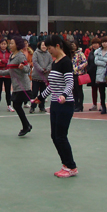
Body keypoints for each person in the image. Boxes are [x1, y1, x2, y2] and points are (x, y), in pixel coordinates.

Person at [34, 35, 77, 178]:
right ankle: (65, 164)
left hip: (65, 104)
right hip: (55, 104)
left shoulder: (66, 62)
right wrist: (41, 97)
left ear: (57, 46)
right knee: (54, 136)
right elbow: (52, 85)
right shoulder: (55, 62)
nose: (49, 51)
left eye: (50, 48)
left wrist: (64, 95)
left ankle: (71, 166)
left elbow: (70, 83)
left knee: (61, 136)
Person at [0, 36, 32, 136]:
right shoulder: (11, 55)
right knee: (16, 105)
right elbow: (10, 70)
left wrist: (22, 67)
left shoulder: (20, 56)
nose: (10, 45)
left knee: (16, 105)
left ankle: (26, 126)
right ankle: (27, 125)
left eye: (12, 43)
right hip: (16, 85)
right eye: (10, 43)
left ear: (17, 45)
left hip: (22, 85)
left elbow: (28, 69)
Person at [30, 40, 52, 114]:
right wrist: (41, 69)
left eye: (45, 45)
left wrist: (47, 69)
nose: (44, 47)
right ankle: (32, 107)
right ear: (40, 46)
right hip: (36, 77)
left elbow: (51, 63)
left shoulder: (48, 54)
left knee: (43, 93)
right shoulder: (36, 53)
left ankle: (42, 107)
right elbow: (35, 62)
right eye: (42, 45)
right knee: (34, 93)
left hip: (45, 77)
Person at [0, 38, 13, 112]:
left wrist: (2, 61)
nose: (3, 45)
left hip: (8, 74)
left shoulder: (10, 53)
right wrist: (4, 63)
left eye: (5, 44)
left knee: (8, 90)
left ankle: (9, 105)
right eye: (2, 44)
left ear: (7, 45)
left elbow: (10, 62)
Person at [85, 38, 102, 111]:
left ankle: (102, 104)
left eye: (96, 44)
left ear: (99, 44)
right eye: (93, 44)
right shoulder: (91, 53)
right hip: (92, 73)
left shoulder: (101, 52)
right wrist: (88, 70)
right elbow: (88, 62)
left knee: (101, 90)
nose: (94, 45)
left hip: (100, 73)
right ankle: (94, 104)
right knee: (94, 89)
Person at [71, 42, 87, 112]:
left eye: (74, 45)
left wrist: (78, 68)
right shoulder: (70, 54)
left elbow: (85, 62)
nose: (73, 47)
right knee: (73, 90)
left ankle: (80, 105)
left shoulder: (80, 53)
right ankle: (76, 104)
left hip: (78, 74)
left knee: (79, 90)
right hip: (71, 74)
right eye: (72, 46)